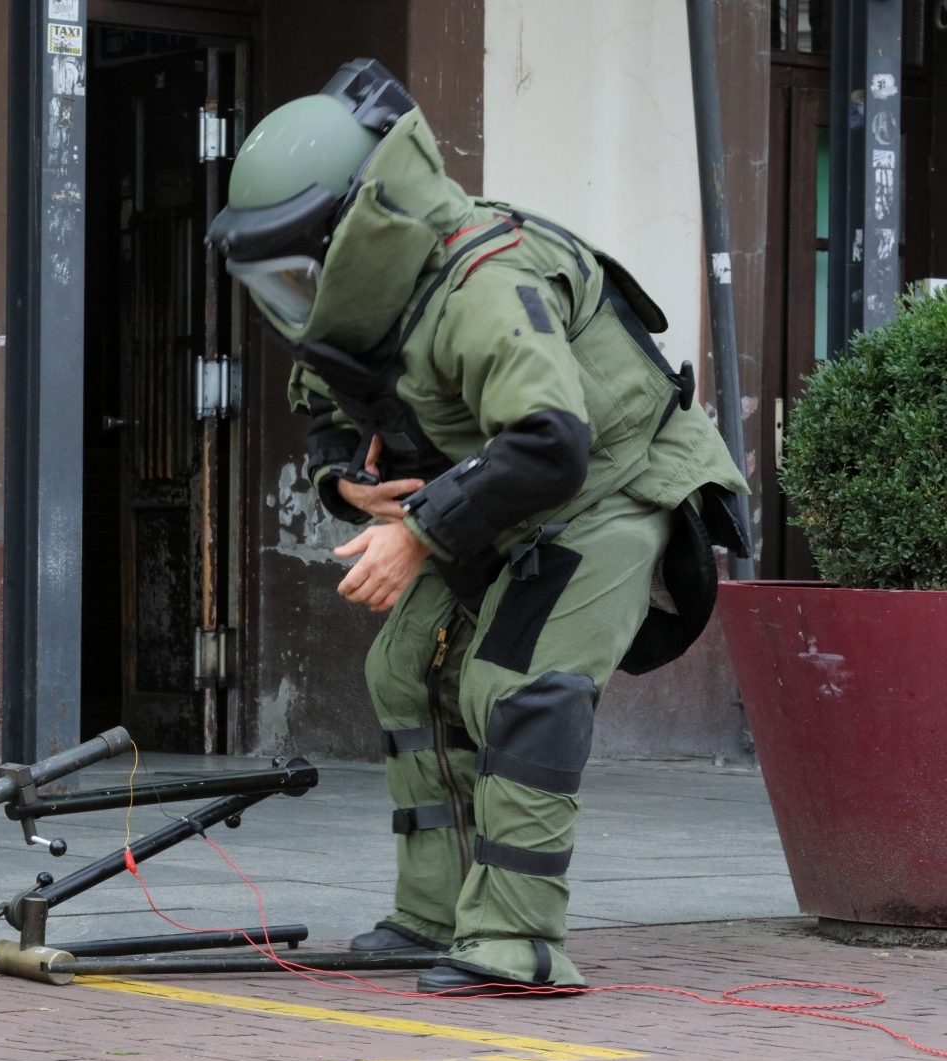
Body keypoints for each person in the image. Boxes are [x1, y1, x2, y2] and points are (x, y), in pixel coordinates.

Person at [207, 59, 749, 994]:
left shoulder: (482, 283)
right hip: (496, 500)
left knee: (516, 683)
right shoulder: (365, 308)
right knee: (405, 672)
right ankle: (434, 915)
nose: (292, 296)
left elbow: (552, 442)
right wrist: (350, 488)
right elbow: (334, 420)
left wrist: (418, 534)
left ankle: (518, 941)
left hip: (612, 487)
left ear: (359, 230)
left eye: (300, 269)